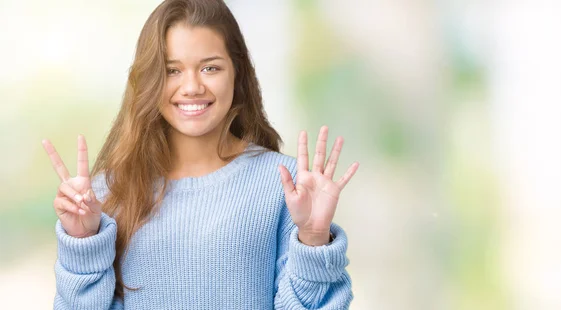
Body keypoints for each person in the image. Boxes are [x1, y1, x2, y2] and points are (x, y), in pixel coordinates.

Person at [42, 0, 359, 309]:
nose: (191, 87)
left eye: (210, 67)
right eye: (172, 70)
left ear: (238, 72)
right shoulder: (105, 197)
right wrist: (83, 243)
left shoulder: (287, 186)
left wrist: (314, 238)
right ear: (148, 80)